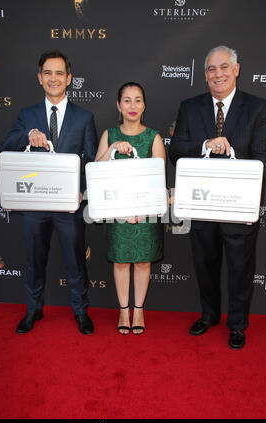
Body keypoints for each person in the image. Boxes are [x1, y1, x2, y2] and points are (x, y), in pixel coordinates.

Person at [169, 46, 266, 349]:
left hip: (238, 207)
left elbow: (264, 157)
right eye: (212, 69)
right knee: (205, 264)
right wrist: (205, 144)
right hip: (201, 206)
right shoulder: (190, 107)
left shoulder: (259, 108)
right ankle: (209, 315)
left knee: (241, 268)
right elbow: (176, 152)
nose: (218, 74)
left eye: (224, 67)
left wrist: (230, 151)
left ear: (237, 69)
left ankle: (237, 324)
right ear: (204, 75)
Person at [0, 49, 98, 335]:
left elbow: (90, 160)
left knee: (76, 263)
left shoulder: (84, 117)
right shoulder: (26, 114)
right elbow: (6, 144)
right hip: (35, 203)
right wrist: (26, 135)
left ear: (69, 78)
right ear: (39, 78)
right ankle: (33, 310)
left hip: (69, 206)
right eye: (47, 73)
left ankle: (81, 312)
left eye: (59, 73)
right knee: (34, 261)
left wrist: (82, 192)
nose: (53, 78)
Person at [95, 82, 166, 335]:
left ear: (144, 105)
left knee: (144, 262)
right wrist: (112, 149)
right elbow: (96, 173)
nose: (132, 106)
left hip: (145, 213)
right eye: (127, 100)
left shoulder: (154, 137)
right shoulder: (109, 135)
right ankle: (123, 310)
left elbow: (158, 181)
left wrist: (141, 211)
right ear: (118, 105)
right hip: (117, 212)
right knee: (122, 262)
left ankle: (139, 310)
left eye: (137, 100)